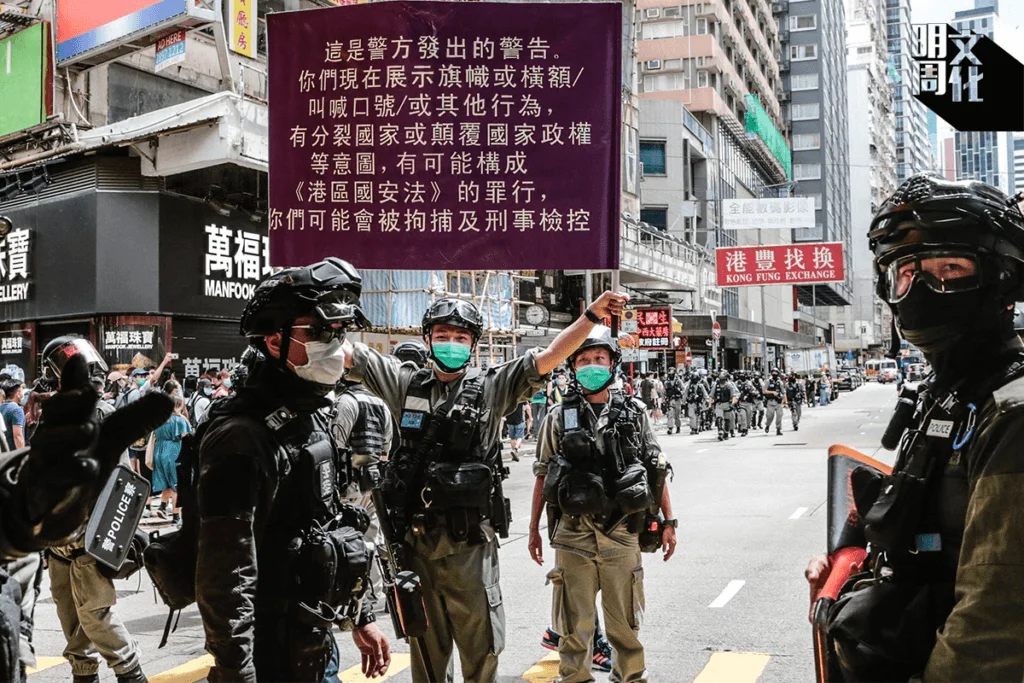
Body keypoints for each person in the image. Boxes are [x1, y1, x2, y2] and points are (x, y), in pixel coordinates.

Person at [345, 290, 627, 683]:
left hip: (471, 549)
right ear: (427, 339)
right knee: (426, 658)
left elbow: (550, 356)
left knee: (481, 656)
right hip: (415, 547)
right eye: (443, 335)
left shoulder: (493, 386)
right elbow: (348, 355)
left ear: (474, 344)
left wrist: (591, 315)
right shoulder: (404, 382)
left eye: (461, 338)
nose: (452, 344)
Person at [805, 173, 1024, 680]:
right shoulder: (946, 397)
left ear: (1003, 279)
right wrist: (854, 566)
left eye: (950, 268)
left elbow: (996, 620)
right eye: (908, 271)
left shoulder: (1011, 413)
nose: (923, 288)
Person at [185, 257, 387, 683]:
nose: (334, 346)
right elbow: (226, 575)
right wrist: (237, 672)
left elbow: (333, 522)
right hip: (268, 654)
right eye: (319, 332)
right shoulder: (241, 437)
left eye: (339, 332)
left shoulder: (310, 415)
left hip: (314, 637)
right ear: (275, 339)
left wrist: (361, 613)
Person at [528, 326, 677, 683]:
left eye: (599, 358)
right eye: (583, 360)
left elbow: (656, 468)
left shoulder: (634, 413)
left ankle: (629, 678)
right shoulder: (557, 416)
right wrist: (533, 529)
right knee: (573, 630)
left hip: (622, 535)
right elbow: (542, 474)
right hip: (572, 536)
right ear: (572, 366)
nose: (592, 365)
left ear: (612, 364)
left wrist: (669, 521)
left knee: (625, 628)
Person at [40, 338, 149, 683]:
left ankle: (131, 673)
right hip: (58, 543)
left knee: (96, 617)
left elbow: (121, 481)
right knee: (71, 621)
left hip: (88, 538)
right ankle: (84, 675)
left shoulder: (102, 414)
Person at [332, 375, 394, 614]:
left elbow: (336, 445)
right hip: (373, 483)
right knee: (371, 540)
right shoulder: (382, 404)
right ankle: (372, 595)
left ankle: (353, 598)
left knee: (347, 542)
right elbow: (386, 447)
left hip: (348, 486)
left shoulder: (345, 402)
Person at [147, 397, 192, 526]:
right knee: (177, 485)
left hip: (159, 452)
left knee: (165, 482)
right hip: (173, 452)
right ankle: (176, 516)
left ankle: (162, 506)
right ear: (180, 406)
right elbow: (186, 437)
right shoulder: (179, 420)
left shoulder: (159, 419)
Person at [711, 370, 738, 441]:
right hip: (719, 404)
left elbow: (734, 395)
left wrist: (733, 403)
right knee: (719, 418)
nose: (721, 381)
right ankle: (720, 432)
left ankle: (727, 432)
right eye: (720, 379)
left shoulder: (730, 385)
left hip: (727, 404)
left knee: (727, 419)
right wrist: (710, 404)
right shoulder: (716, 385)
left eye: (723, 379)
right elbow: (711, 395)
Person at [0, 381, 26, 451]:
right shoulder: (17, 410)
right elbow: (17, 436)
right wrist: (21, 454)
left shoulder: (1, 407)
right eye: (22, 389)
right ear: (17, 394)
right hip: (12, 453)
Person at [762, 368, 784, 436]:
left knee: (779, 416)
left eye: (776, 372)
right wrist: (772, 392)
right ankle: (767, 425)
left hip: (778, 402)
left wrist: (784, 401)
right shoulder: (768, 381)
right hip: (770, 402)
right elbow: (764, 391)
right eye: (773, 372)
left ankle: (778, 429)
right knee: (770, 416)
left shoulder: (780, 382)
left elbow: (783, 392)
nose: (774, 374)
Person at [735, 372, 757, 437]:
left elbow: (754, 390)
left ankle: (747, 426)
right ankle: (744, 429)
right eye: (740, 375)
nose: (742, 377)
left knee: (749, 416)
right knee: (742, 416)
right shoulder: (737, 383)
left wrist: (753, 393)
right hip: (741, 403)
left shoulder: (749, 383)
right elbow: (734, 391)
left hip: (749, 402)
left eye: (743, 375)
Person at [663, 368, 684, 435]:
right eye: (669, 374)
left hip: (677, 400)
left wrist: (680, 393)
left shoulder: (679, 381)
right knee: (670, 414)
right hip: (670, 400)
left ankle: (678, 427)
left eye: (672, 374)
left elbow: (683, 389)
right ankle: (670, 428)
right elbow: (664, 392)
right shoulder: (666, 382)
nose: (671, 375)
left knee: (677, 415)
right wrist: (664, 400)